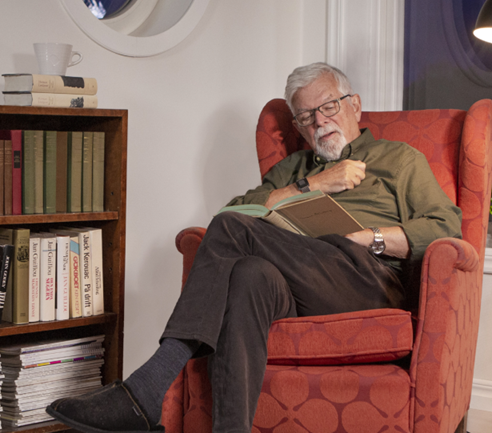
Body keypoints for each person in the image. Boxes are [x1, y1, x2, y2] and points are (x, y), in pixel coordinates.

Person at [46, 62, 463, 433]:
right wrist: (314, 184)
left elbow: (446, 226)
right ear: (298, 127)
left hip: (366, 279)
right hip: (299, 283)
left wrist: (370, 237)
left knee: (234, 232)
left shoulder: (399, 159)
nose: (319, 122)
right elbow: (235, 213)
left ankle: (147, 387)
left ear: (354, 105)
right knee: (248, 274)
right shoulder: (292, 170)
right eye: (305, 116)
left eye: (329, 107)